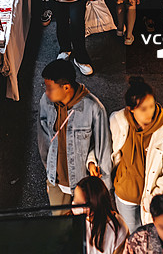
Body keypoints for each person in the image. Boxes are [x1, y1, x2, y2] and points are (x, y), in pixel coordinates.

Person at [38, 59, 112, 212]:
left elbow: (102, 150)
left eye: (50, 88)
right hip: (56, 182)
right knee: (61, 228)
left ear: (66, 87)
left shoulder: (94, 108)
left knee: (86, 228)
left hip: (83, 184)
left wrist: (103, 191)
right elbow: (43, 141)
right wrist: (49, 173)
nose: (46, 92)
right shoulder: (45, 102)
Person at [111, 78, 163, 233]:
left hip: (153, 199)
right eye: (143, 109)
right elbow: (104, 148)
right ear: (131, 109)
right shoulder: (118, 121)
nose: (149, 112)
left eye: (151, 106)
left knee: (152, 235)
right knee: (132, 234)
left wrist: (155, 197)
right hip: (125, 194)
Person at [72, 176, 129, 254]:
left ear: (94, 204)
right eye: (74, 198)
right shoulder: (73, 222)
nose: (73, 204)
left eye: (78, 203)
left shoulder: (118, 229)